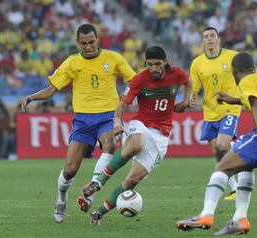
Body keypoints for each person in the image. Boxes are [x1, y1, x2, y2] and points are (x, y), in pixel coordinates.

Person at [21, 23, 136, 223]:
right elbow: (51, 89)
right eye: (84, 43)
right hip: (83, 120)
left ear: (97, 39)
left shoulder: (114, 58)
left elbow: (135, 82)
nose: (88, 46)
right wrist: (31, 97)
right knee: (70, 170)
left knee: (110, 143)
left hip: (108, 116)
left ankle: (91, 191)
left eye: (91, 42)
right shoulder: (72, 62)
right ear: (77, 42)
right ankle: (61, 199)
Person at [176, 52, 257, 235]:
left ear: (234, 72)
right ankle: (240, 219)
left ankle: (206, 214)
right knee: (245, 166)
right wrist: (232, 100)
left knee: (222, 167)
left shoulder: (246, 81)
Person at [77, 46, 192, 225]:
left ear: (165, 62)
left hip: (160, 137)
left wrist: (186, 100)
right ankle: (98, 183)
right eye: (150, 64)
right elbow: (122, 104)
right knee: (136, 144)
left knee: (132, 180)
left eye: (157, 64)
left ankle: (99, 213)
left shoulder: (176, 74)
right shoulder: (140, 79)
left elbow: (188, 81)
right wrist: (117, 122)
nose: (153, 68)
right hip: (141, 124)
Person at [190, 26, 241, 200]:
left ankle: (243, 147)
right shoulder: (197, 63)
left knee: (222, 145)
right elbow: (194, 87)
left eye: (213, 36)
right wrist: (192, 96)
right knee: (218, 152)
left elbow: (248, 71)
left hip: (229, 108)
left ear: (218, 39)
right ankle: (235, 189)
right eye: (206, 37)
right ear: (203, 41)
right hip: (209, 112)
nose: (210, 39)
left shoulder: (232, 56)